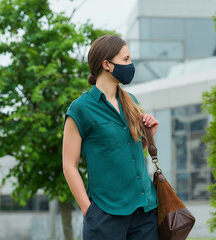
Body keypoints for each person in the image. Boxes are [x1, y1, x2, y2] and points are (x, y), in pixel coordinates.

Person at [62, 35, 159, 240]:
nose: (130, 65)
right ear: (106, 64)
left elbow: (129, 153)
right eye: (125, 60)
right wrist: (89, 211)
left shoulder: (131, 101)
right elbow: (69, 165)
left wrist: (150, 135)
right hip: (106, 216)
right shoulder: (80, 109)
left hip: (145, 211)